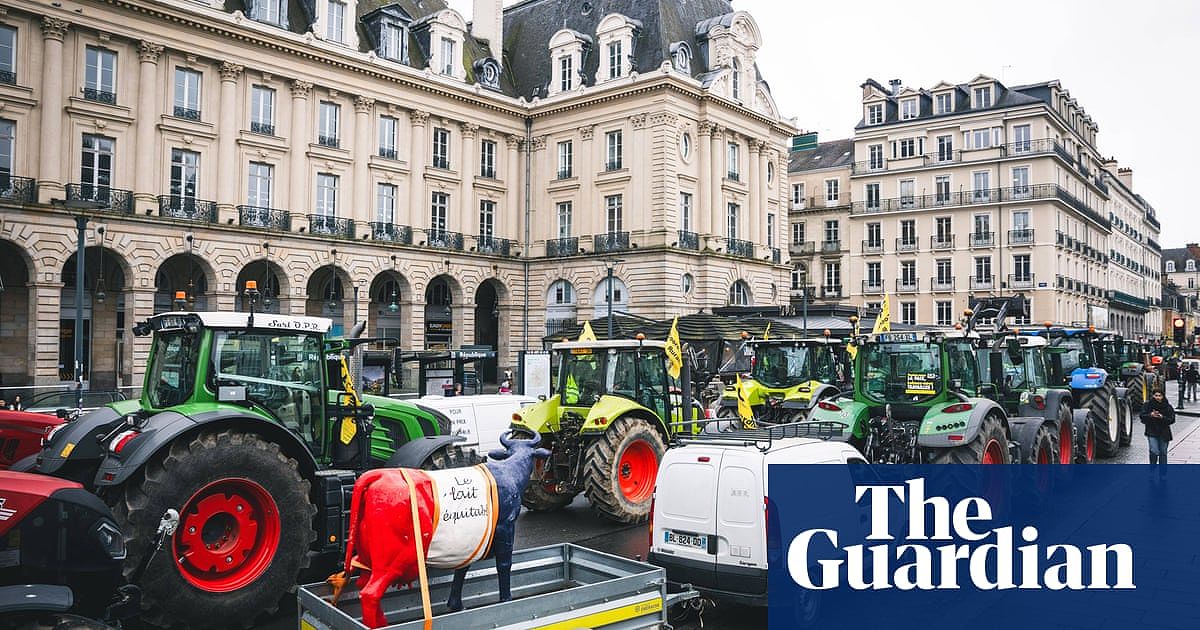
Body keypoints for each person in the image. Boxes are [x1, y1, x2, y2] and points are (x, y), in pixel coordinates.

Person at [1139, 389, 1175, 473]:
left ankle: (1163, 472)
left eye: (1160, 395)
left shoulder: (1167, 406)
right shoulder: (1148, 405)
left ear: (1163, 396)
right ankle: (1152, 468)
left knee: (1163, 453)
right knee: (1154, 451)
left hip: (1164, 433)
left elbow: (1172, 419)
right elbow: (1142, 417)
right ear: (1153, 396)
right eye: (1156, 395)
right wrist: (1150, 415)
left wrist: (1162, 417)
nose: (1158, 397)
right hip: (1152, 431)